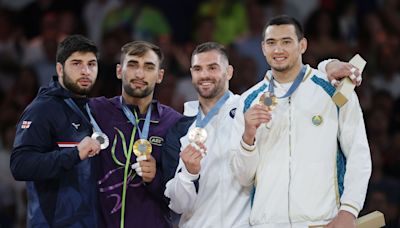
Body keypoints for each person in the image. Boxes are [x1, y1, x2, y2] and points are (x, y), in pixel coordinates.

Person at [230, 15, 371, 228]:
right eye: (271, 43)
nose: (278, 50)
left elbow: (359, 154)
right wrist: (248, 137)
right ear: (263, 48)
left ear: (302, 45)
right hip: (266, 223)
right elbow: (243, 178)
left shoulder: (334, 88)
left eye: (286, 42)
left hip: (322, 222)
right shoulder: (248, 100)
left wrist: (349, 211)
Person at [10, 35, 102, 227]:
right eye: (76, 63)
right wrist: (75, 153)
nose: (86, 71)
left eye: (91, 64)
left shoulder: (92, 108)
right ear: (60, 69)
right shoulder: (42, 109)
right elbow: (20, 165)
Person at [88, 41, 182, 228]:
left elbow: (181, 199)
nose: (139, 74)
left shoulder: (174, 123)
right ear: (118, 71)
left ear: (159, 76)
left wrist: (155, 179)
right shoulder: (96, 111)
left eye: (149, 67)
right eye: (132, 65)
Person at [163, 42, 250, 228]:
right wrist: (188, 173)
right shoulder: (180, 129)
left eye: (213, 68)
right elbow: (177, 206)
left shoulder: (247, 112)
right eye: (197, 69)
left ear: (229, 72)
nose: (204, 75)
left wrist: (327, 66)